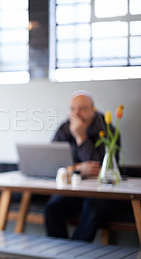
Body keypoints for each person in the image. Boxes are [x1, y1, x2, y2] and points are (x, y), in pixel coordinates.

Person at [44, 90, 120, 242]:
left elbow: (99, 167)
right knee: (52, 209)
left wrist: (81, 137)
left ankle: (75, 253)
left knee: (92, 210)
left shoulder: (107, 128)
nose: (76, 113)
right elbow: (53, 161)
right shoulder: (65, 128)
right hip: (73, 189)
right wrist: (77, 168)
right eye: (72, 108)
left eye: (82, 108)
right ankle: (59, 252)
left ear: (93, 109)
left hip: (100, 191)